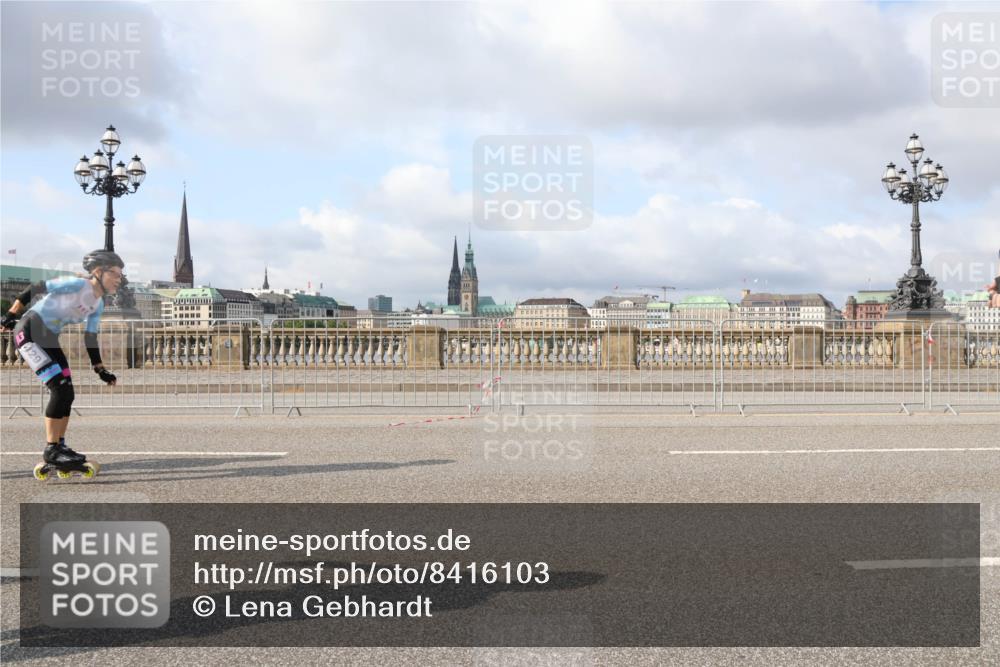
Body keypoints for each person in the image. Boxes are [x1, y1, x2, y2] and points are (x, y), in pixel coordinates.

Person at [0, 250, 123, 477]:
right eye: (115, 273)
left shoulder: (98, 304)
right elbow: (37, 287)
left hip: (48, 338)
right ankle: (52, 449)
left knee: (68, 392)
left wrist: (100, 369)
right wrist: (10, 313)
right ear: (98, 271)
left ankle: (59, 445)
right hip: (29, 332)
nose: (119, 279)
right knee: (59, 388)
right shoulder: (77, 284)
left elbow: (90, 337)